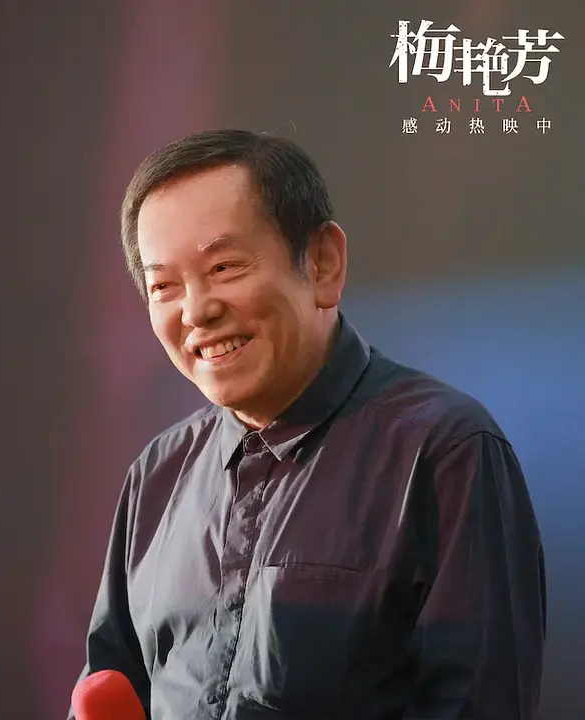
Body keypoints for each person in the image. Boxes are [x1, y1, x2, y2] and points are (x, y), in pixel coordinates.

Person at [70, 129, 546, 719]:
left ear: (323, 262)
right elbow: (109, 686)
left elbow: (478, 703)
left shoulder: (445, 450)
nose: (196, 310)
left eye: (224, 266)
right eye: (164, 285)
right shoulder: (157, 475)